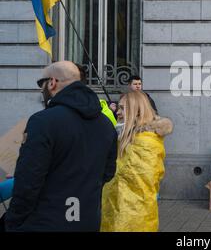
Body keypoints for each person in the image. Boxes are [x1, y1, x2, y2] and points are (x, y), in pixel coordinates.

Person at [5, 61, 117, 231]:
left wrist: (13, 221)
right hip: (87, 220)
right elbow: (108, 173)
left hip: (44, 221)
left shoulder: (42, 121)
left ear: (52, 82)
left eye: (41, 84)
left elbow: (28, 181)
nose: (41, 90)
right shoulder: (106, 124)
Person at [101, 91, 173, 232]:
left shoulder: (144, 141)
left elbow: (136, 179)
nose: (118, 112)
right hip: (118, 209)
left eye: (123, 108)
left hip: (133, 215)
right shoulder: (126, 137)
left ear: (136, 110)